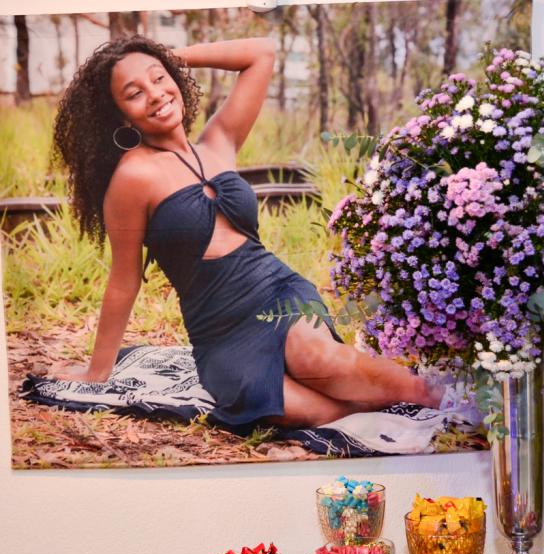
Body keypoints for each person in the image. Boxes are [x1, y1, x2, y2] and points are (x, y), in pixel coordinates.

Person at [50, 35, 443, 431]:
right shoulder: (134, 175)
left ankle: (434, 396)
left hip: (277, 292)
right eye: (135, 93)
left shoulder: (218, 141)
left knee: (318, 359)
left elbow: (262, 52)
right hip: (219, 330)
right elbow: (124, 280)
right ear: (121, 116)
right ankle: (384, 400)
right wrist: (97, 372)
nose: (155, 95)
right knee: (285, 407)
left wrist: (169, 56)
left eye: (159, 78)